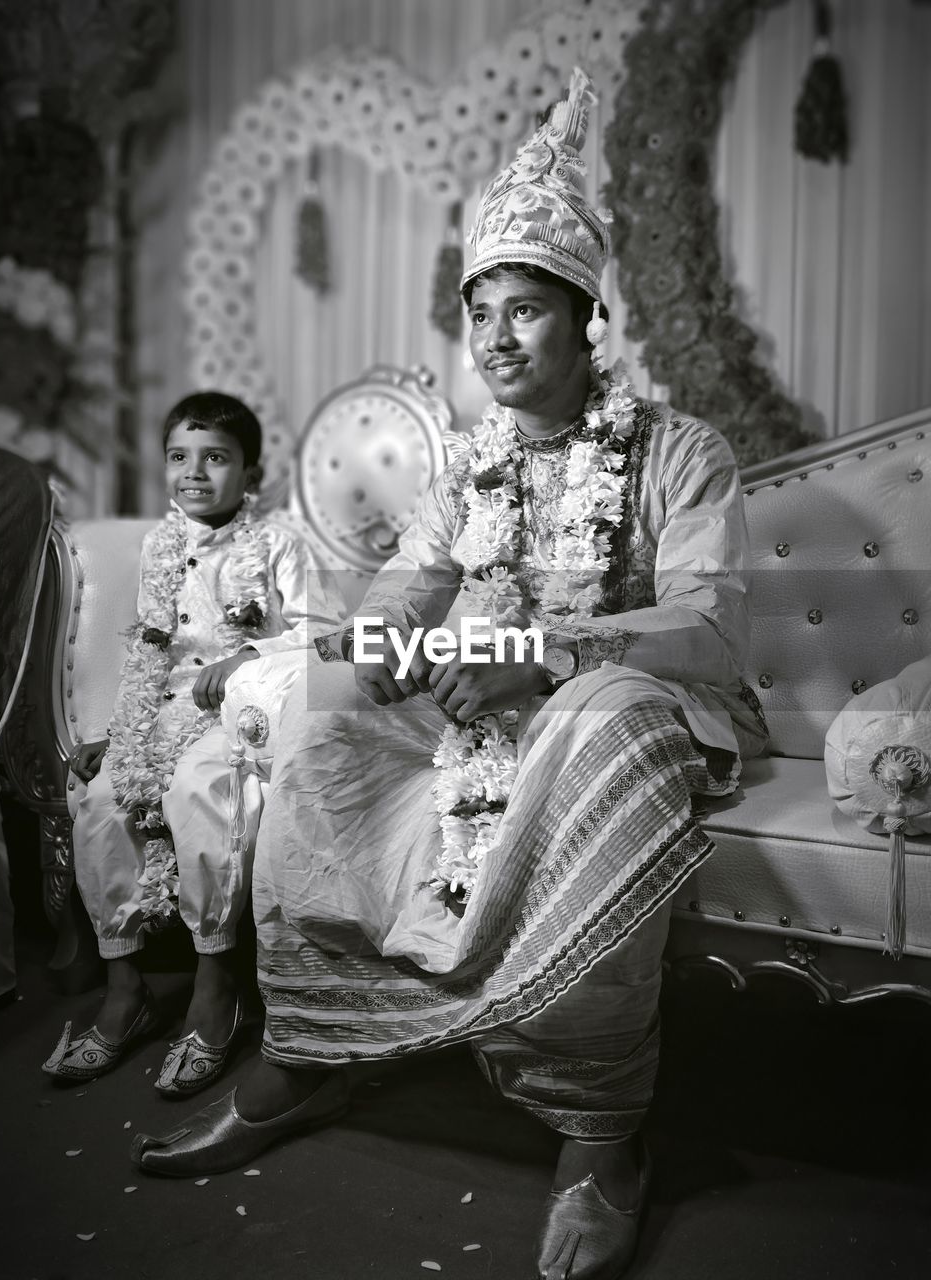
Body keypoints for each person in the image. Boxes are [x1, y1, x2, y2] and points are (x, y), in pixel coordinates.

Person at [130, 72, 768, 1279]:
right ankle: (311, 1050)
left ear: (588, 320)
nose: (497, 338)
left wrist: (543, 652)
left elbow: (707, 624)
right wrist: (339, 658)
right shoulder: (466, 467)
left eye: (527, 311)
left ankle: (600, 1134)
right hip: (478, 692)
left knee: (603, 728)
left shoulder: (682, 451)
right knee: (321, 715)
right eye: (482, 315)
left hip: (629, 701)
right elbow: (408, 598)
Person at [43, 391, 343, 1097]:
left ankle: (217, 986)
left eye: (216, 458)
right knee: (102, 793)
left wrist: (248, 659)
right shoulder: (161, 545)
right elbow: (149, 650)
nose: (195, 472)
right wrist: (116, 732)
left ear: (251, 473)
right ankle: (125, 985)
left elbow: (321, 635)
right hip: (163, 711)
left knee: (199, 792)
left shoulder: (280, 541)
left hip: (243, 714)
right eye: (180, 456)